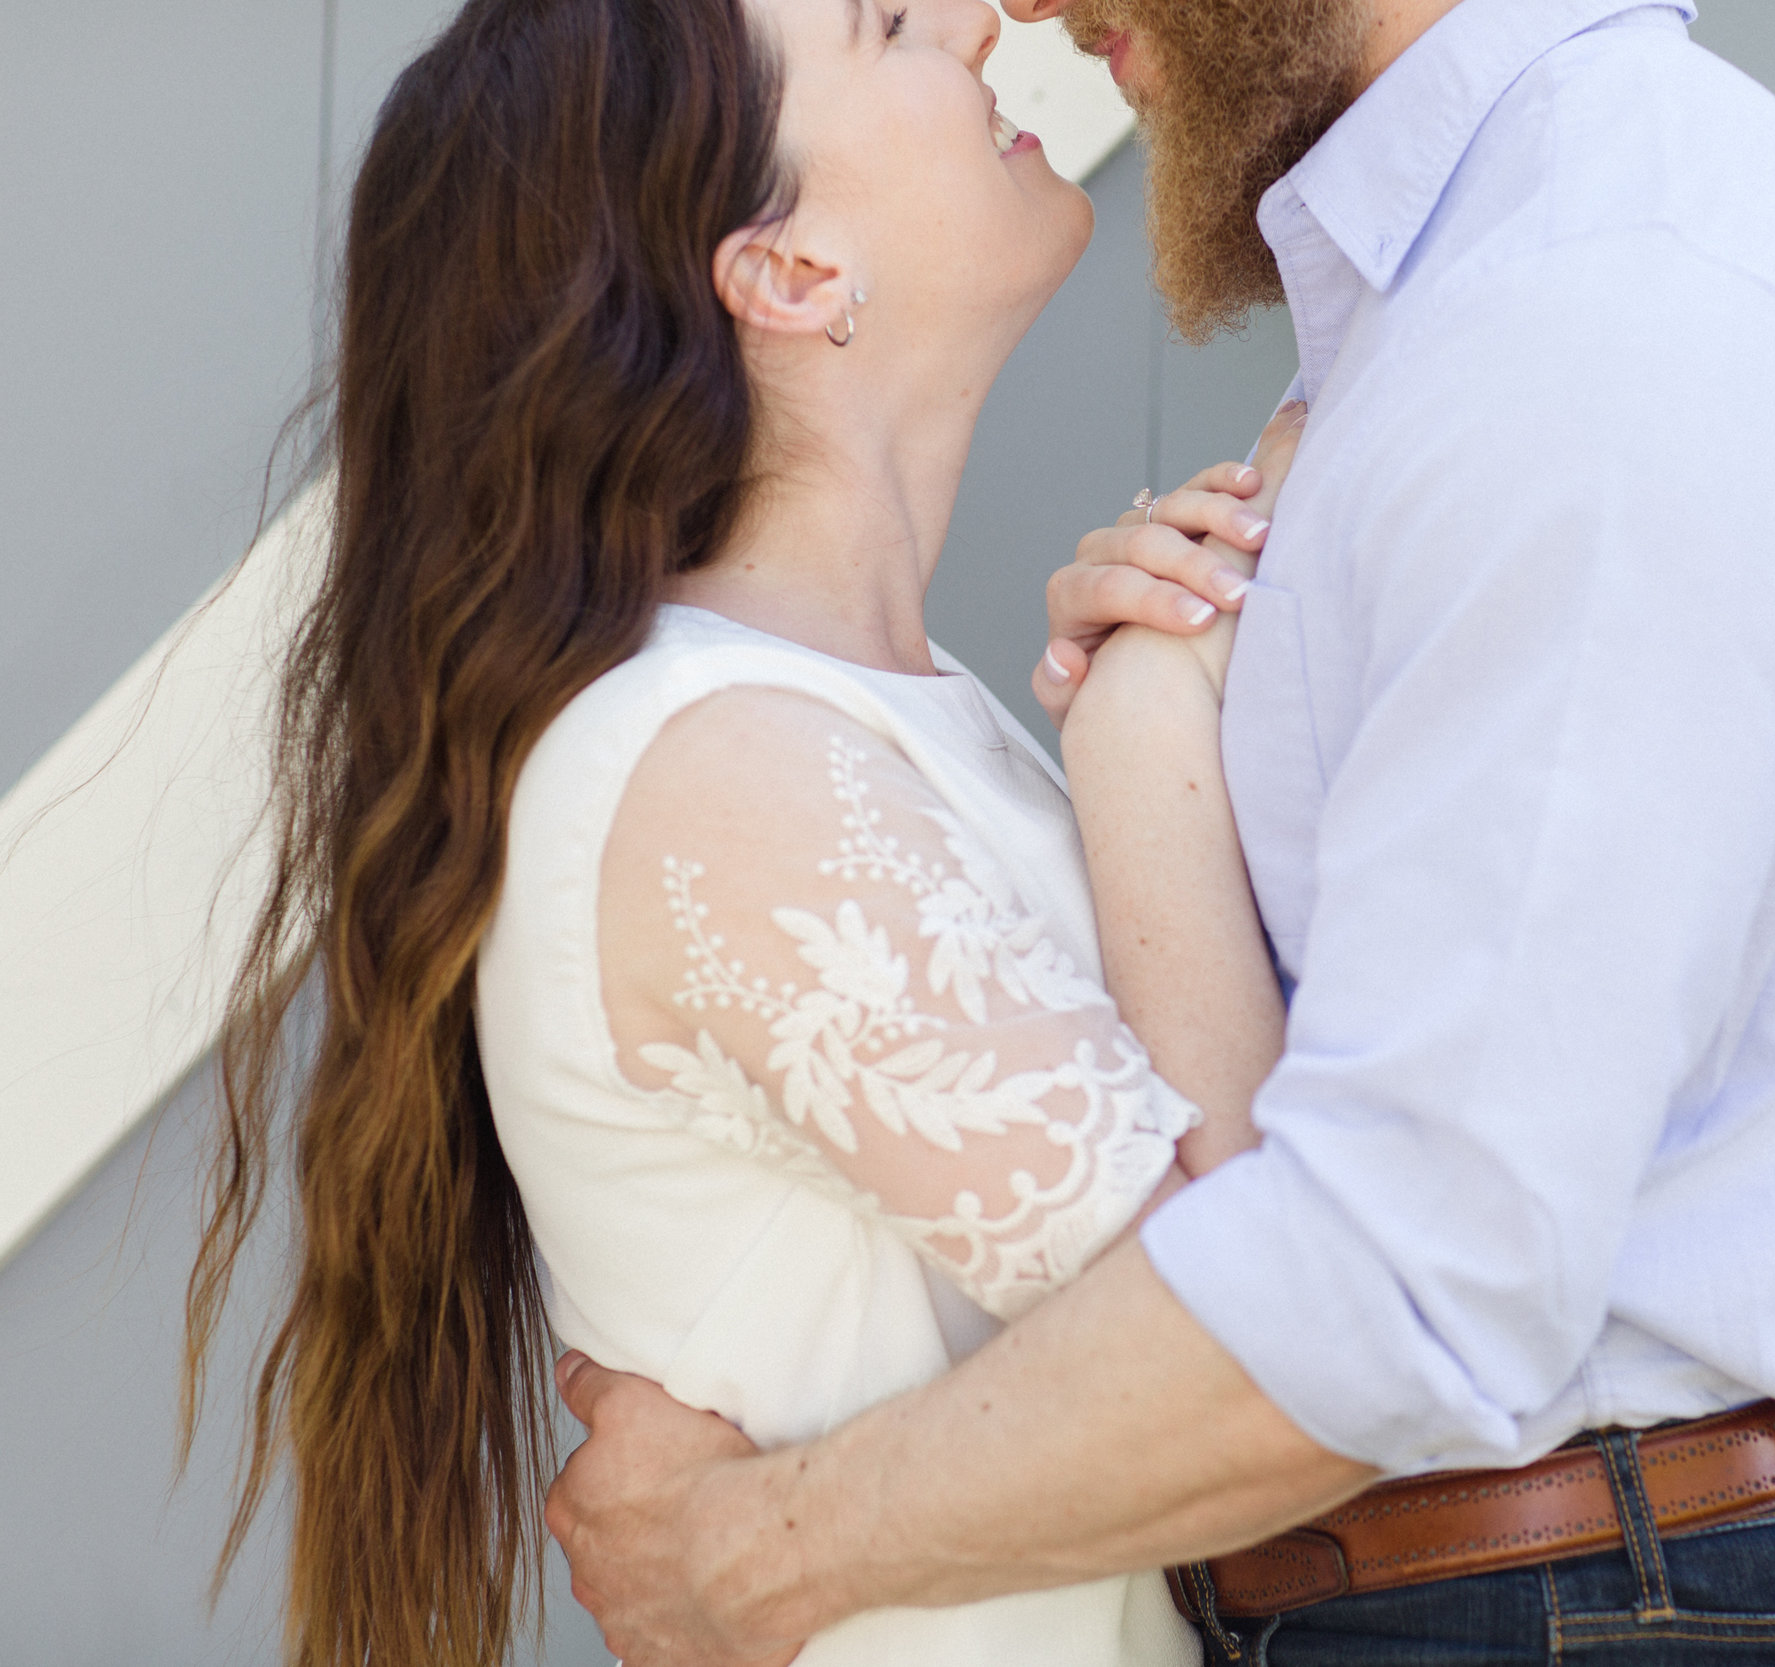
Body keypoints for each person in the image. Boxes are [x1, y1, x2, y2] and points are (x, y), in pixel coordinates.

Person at [543, 0, 1775, 1663]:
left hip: (1574, 1606)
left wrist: (747, 1551)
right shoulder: (1469, 296)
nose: (1015, 7)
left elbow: (1398, 1287)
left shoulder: (1603, 306)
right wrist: (1159, 720)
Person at [184, 0, 1312, 1662]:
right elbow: (1266, 1345)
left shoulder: (840, 722)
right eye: (882, 26)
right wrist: (1155, 718)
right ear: (784, 271)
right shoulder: (714, 773)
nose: (977, 18)